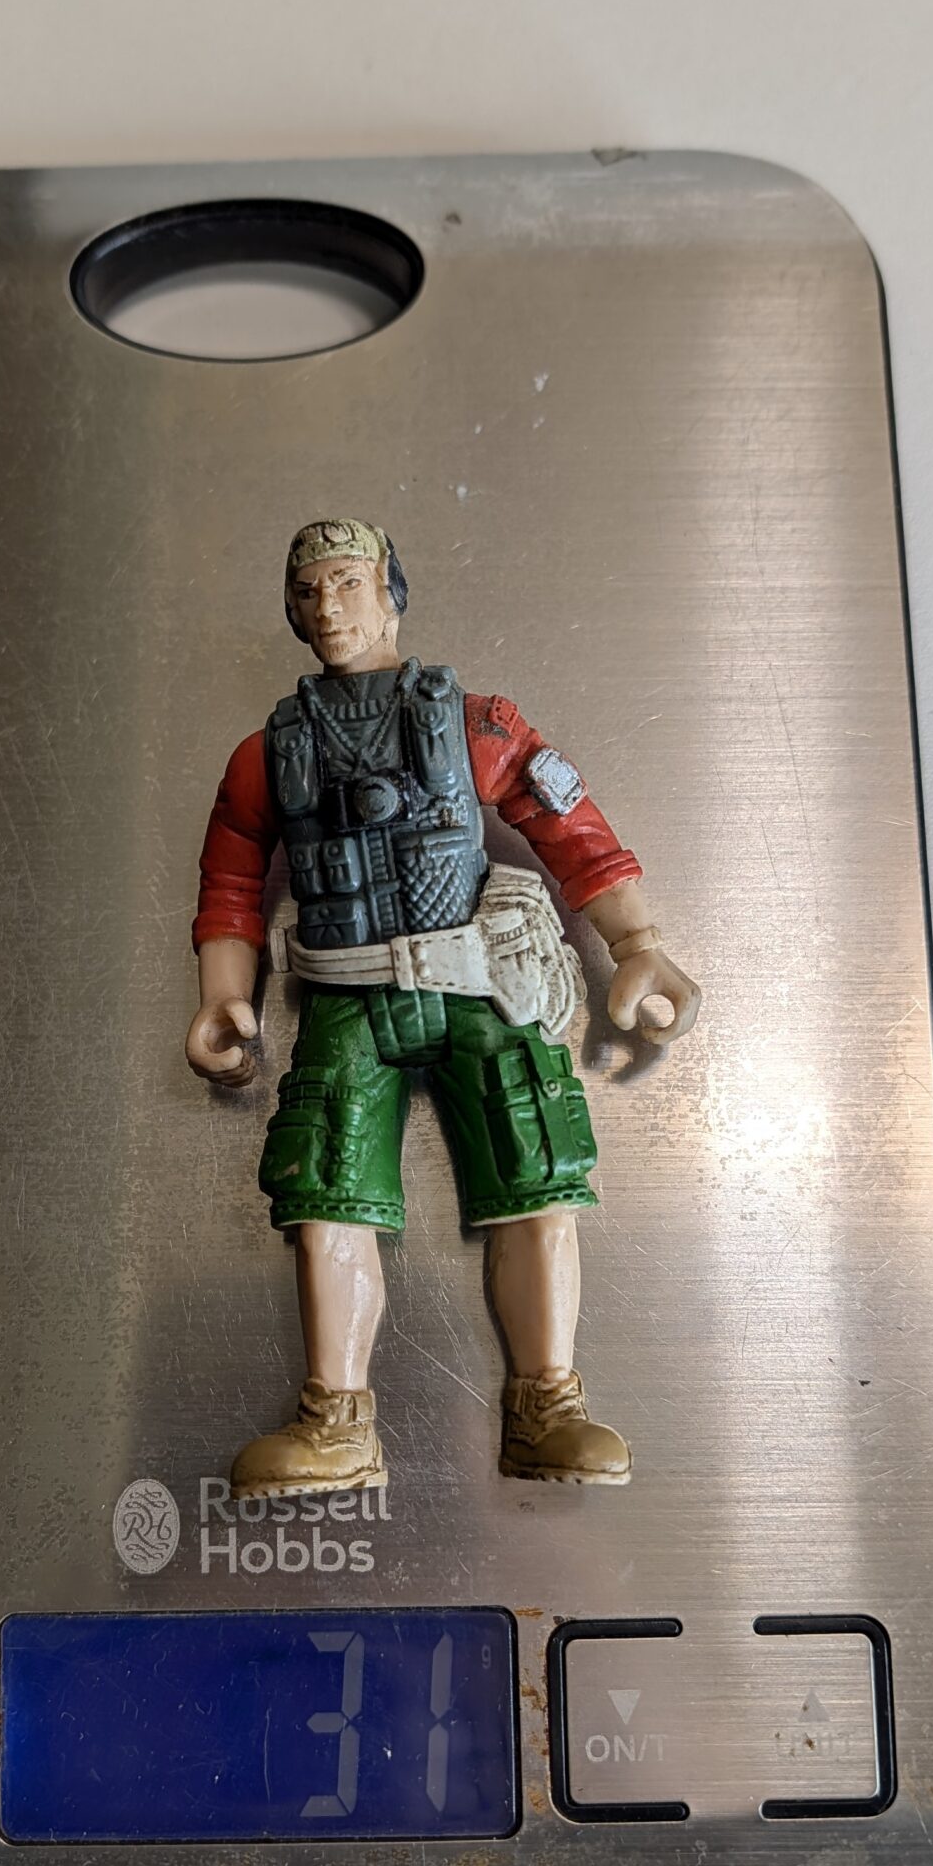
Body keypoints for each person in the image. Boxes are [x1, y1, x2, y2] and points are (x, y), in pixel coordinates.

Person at [187, 518, 700, 1500]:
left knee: (538, 1174)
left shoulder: (475, 726)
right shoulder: (268, 755)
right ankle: (336, 1423)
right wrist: (222, 994)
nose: (328, 606)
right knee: (324, 1197)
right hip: (345, 996)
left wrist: (637, 943)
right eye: (307, 591)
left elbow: (567, 822)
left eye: (347, 581)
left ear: (391, 592)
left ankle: (548, 1406)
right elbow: (233, 878)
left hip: (479, 984)